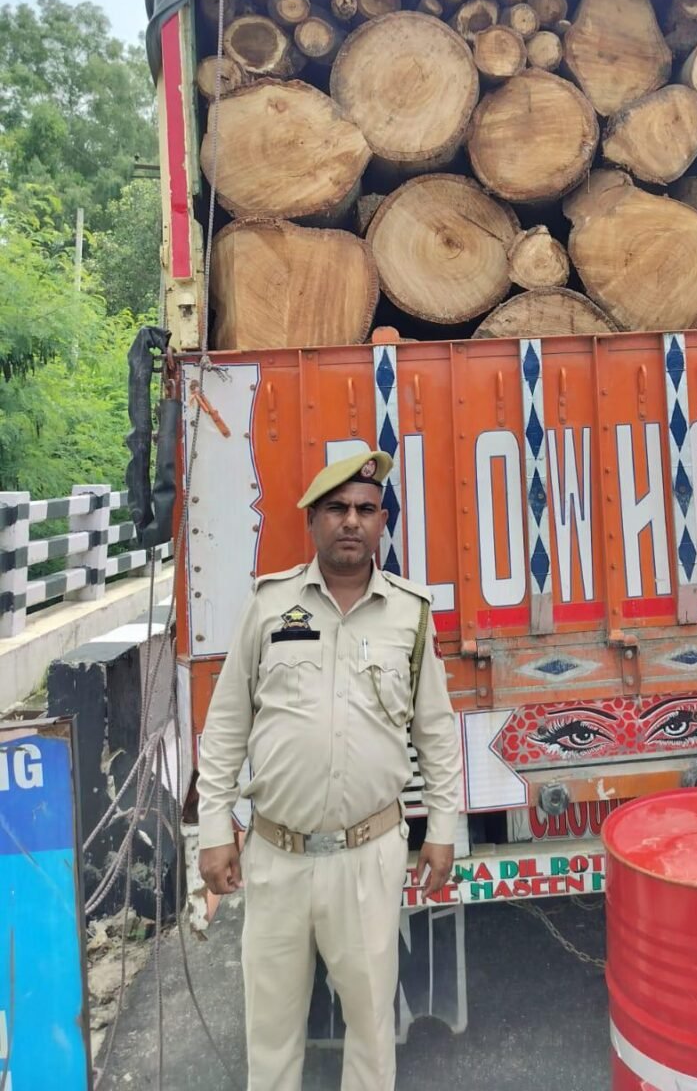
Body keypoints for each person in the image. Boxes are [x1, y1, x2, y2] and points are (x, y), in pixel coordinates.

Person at [196, 448, 462, 1091]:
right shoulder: (268, 606)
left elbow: (435, 732)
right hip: (276, 855)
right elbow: (228, 723)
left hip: (367, 856)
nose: (352, 521)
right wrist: (212, 827)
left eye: (365, 510)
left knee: (372, 1032)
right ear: (313, 521)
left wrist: (443, 828)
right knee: (271, 1033)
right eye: (337, 509)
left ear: (381, 523)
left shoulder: (411, 614)